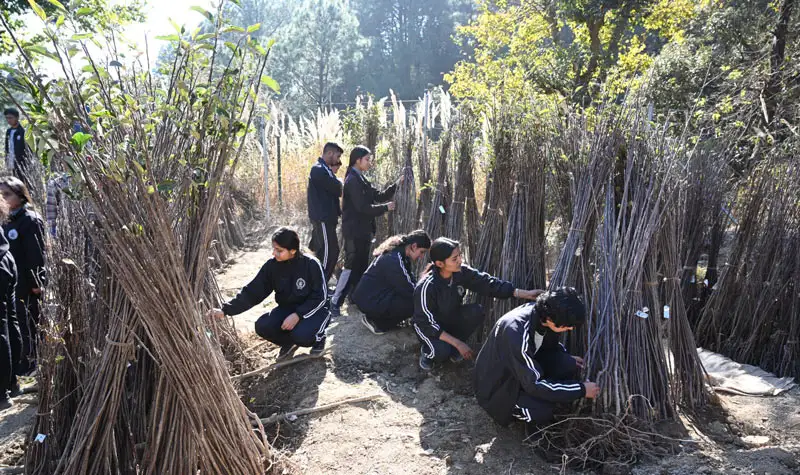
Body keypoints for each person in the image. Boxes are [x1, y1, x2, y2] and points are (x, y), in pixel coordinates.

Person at [474, 287, 600, 432]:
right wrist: (581, 389)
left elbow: (546, 345)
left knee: (568, 364)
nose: (570, 329)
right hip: (498, 388)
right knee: (542, 411)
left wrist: (566, 357)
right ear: (550, 319)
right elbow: (534, 384)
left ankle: (541, 396)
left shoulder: (541, 315)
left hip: (521, 372)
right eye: (567, 326)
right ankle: (513, 413)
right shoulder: (516, 331)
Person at [412, 237, 542, 371]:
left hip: (449, 320)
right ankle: (428, 352)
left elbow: (487, 283)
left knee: (476, 312)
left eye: (460, 256)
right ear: (440, 264)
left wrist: (523, 293)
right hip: (428, 328)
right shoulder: (427, 287)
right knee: (441, 352)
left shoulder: (460, 273)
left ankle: (453, 349)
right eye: (454, 259)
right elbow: (426, 323)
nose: (460, 261)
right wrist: (458, 343)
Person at [208, 227, 330, 359]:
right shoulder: (272, 266)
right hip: (288, 308)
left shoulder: (311, 264)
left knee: (301, 335)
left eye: (279, 250)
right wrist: (226, 310)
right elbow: (253, 292)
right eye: (274, 249)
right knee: (263, 326)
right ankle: (288, 343)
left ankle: (319, 338)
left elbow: (320, 297)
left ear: (293, 250)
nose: (274, 253)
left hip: (314, 310)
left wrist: (298, 315)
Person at [330, 145, 398, 317]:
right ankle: (335, 302)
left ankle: (354, 299)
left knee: (360, 266)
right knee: (351, 266)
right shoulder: (352, 181)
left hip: (363, 230)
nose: (369, 163)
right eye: (367, 159)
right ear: (357, 160)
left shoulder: (361, 179)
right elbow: (362, 208)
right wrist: (386, 208)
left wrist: (397, 185)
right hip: (354, 230)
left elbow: (379, 195)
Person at [0, 177, 45, 375]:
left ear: (20, 195)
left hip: (27, 284)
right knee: (16, 322)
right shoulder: (6, 220)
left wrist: (37, 283)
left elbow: (36, 254)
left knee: (29, 323)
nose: (3, 198)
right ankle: (19, 365)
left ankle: (32, 364)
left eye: (7, 194)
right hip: (12, 281)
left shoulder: (30, 220)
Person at [352, 230, 431, 335]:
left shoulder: (400, 255)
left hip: (373, 297)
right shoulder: (394, 259)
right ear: (414, 246)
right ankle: (376, 322)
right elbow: (408, 289)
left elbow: (410, 280)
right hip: (369, 301)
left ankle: (381, 319)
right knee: (413, 303)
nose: (421, 257)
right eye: (422, 252)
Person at [307, 142, 344, 284]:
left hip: (327, 219)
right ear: (329, 153)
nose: (338, 159)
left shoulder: (325, 170)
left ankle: (312, 281)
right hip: (323, 219)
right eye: (337, 156)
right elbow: (338, 188)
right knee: (331, 253)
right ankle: (321, 284)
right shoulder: (318, 169)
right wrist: (340, 183)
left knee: (317, 251)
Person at [0, 200, 18, 409]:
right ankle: (11, 383)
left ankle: (3, 391)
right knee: (8, 322)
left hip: (2, 264)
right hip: (6, 260)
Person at [4, 109, 29, 185]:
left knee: (23, 183)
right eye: (7, 118)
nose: (8, 120)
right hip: (11, 162)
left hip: (22, 163)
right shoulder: (8, 131)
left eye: (10, 118)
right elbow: (7, 147)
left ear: (17, 117)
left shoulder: (23, 131)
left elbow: (27, 149)